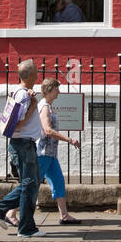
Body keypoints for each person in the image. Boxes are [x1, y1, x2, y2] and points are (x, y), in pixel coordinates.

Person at [0, 58, 42, 239]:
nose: (38, 74)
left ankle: (9, 214)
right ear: (29, 75)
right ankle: (25, 227)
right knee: (30, 185)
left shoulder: (21, 93)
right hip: (23, 144)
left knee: (31, 184)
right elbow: (17, 124)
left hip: (24, 144)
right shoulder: (22, 95)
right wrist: (33, 106)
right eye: (36, 72)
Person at [35, 76, 82, 225]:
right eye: (56, 89)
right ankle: (10, 211)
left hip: (50, 154)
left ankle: (64, 216)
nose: (59, 92)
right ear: (49, 90)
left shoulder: (47, 105)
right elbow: (47, 130)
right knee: (32, 185)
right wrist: (69, 139)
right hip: (43, 154)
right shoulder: (44, 106)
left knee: (58, 182)